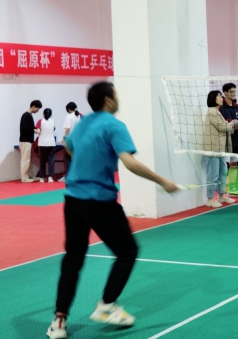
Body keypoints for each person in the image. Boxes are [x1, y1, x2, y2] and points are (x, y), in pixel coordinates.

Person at [47, 82, 178, 339]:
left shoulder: (83, 123)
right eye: (116, 94)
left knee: (73, 259)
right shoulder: (114, 125)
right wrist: (162, 180)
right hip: (99, 201)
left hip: (73, 201)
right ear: (108, 100)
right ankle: (106, 305)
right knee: (128, 251)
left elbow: (68, 145)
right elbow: (129, 162)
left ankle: (59, 321)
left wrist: (86, 160)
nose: (118, 98)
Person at [202, 91, 236, 208]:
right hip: (212, 149)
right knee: (213, 174)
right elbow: (222, 127)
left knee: (222, 172)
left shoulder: (217, 111)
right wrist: (231, 124)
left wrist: (230, 124)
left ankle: (222, 194)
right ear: (213, 99)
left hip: (220, 149)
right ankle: (210, 198)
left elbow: (224, 126)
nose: (222, 98)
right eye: (219, 96)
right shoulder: (212, 111)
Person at [219, 83, 238, 165]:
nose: (233, 93)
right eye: (231, 92)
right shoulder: (220, 106)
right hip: (225, 140)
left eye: (234, 91)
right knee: (225, 164)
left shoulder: (237, 106)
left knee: (234, 164)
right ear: (225, 93)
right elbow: (221, 122)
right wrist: (231, 122)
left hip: (236, 140)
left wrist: (236, 125)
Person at [19, 100, 42, 182]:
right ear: (33, 106)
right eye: (37, 109)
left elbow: (30, 127)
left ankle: (30, 175)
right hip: (25, 141)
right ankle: (24, 177)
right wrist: (34, 130)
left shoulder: (29, 116)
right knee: (25, 160)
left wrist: (35, 128)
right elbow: (24, 128)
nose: (37, 111)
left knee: (30, 160)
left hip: (29, 141)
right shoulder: (25, 115)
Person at [59, 102, 81, 182]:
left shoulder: (69, 116)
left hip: (70, 140)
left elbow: (67, 129)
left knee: (67, 158)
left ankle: (68, 176)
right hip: (78, 140)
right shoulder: (78, 116)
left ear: (68, 109)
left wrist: (64, 138)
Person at [36, 108, 57, 183]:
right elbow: (53, 129)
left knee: (42, 161)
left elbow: (38, 131)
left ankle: (42, 177)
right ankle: (50, 177)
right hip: (51, 143)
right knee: (51, 161)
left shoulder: (40, 121)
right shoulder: (53, 121)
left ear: (43, 114)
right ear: (51, 114)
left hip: (42, 143)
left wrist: (35, 130)